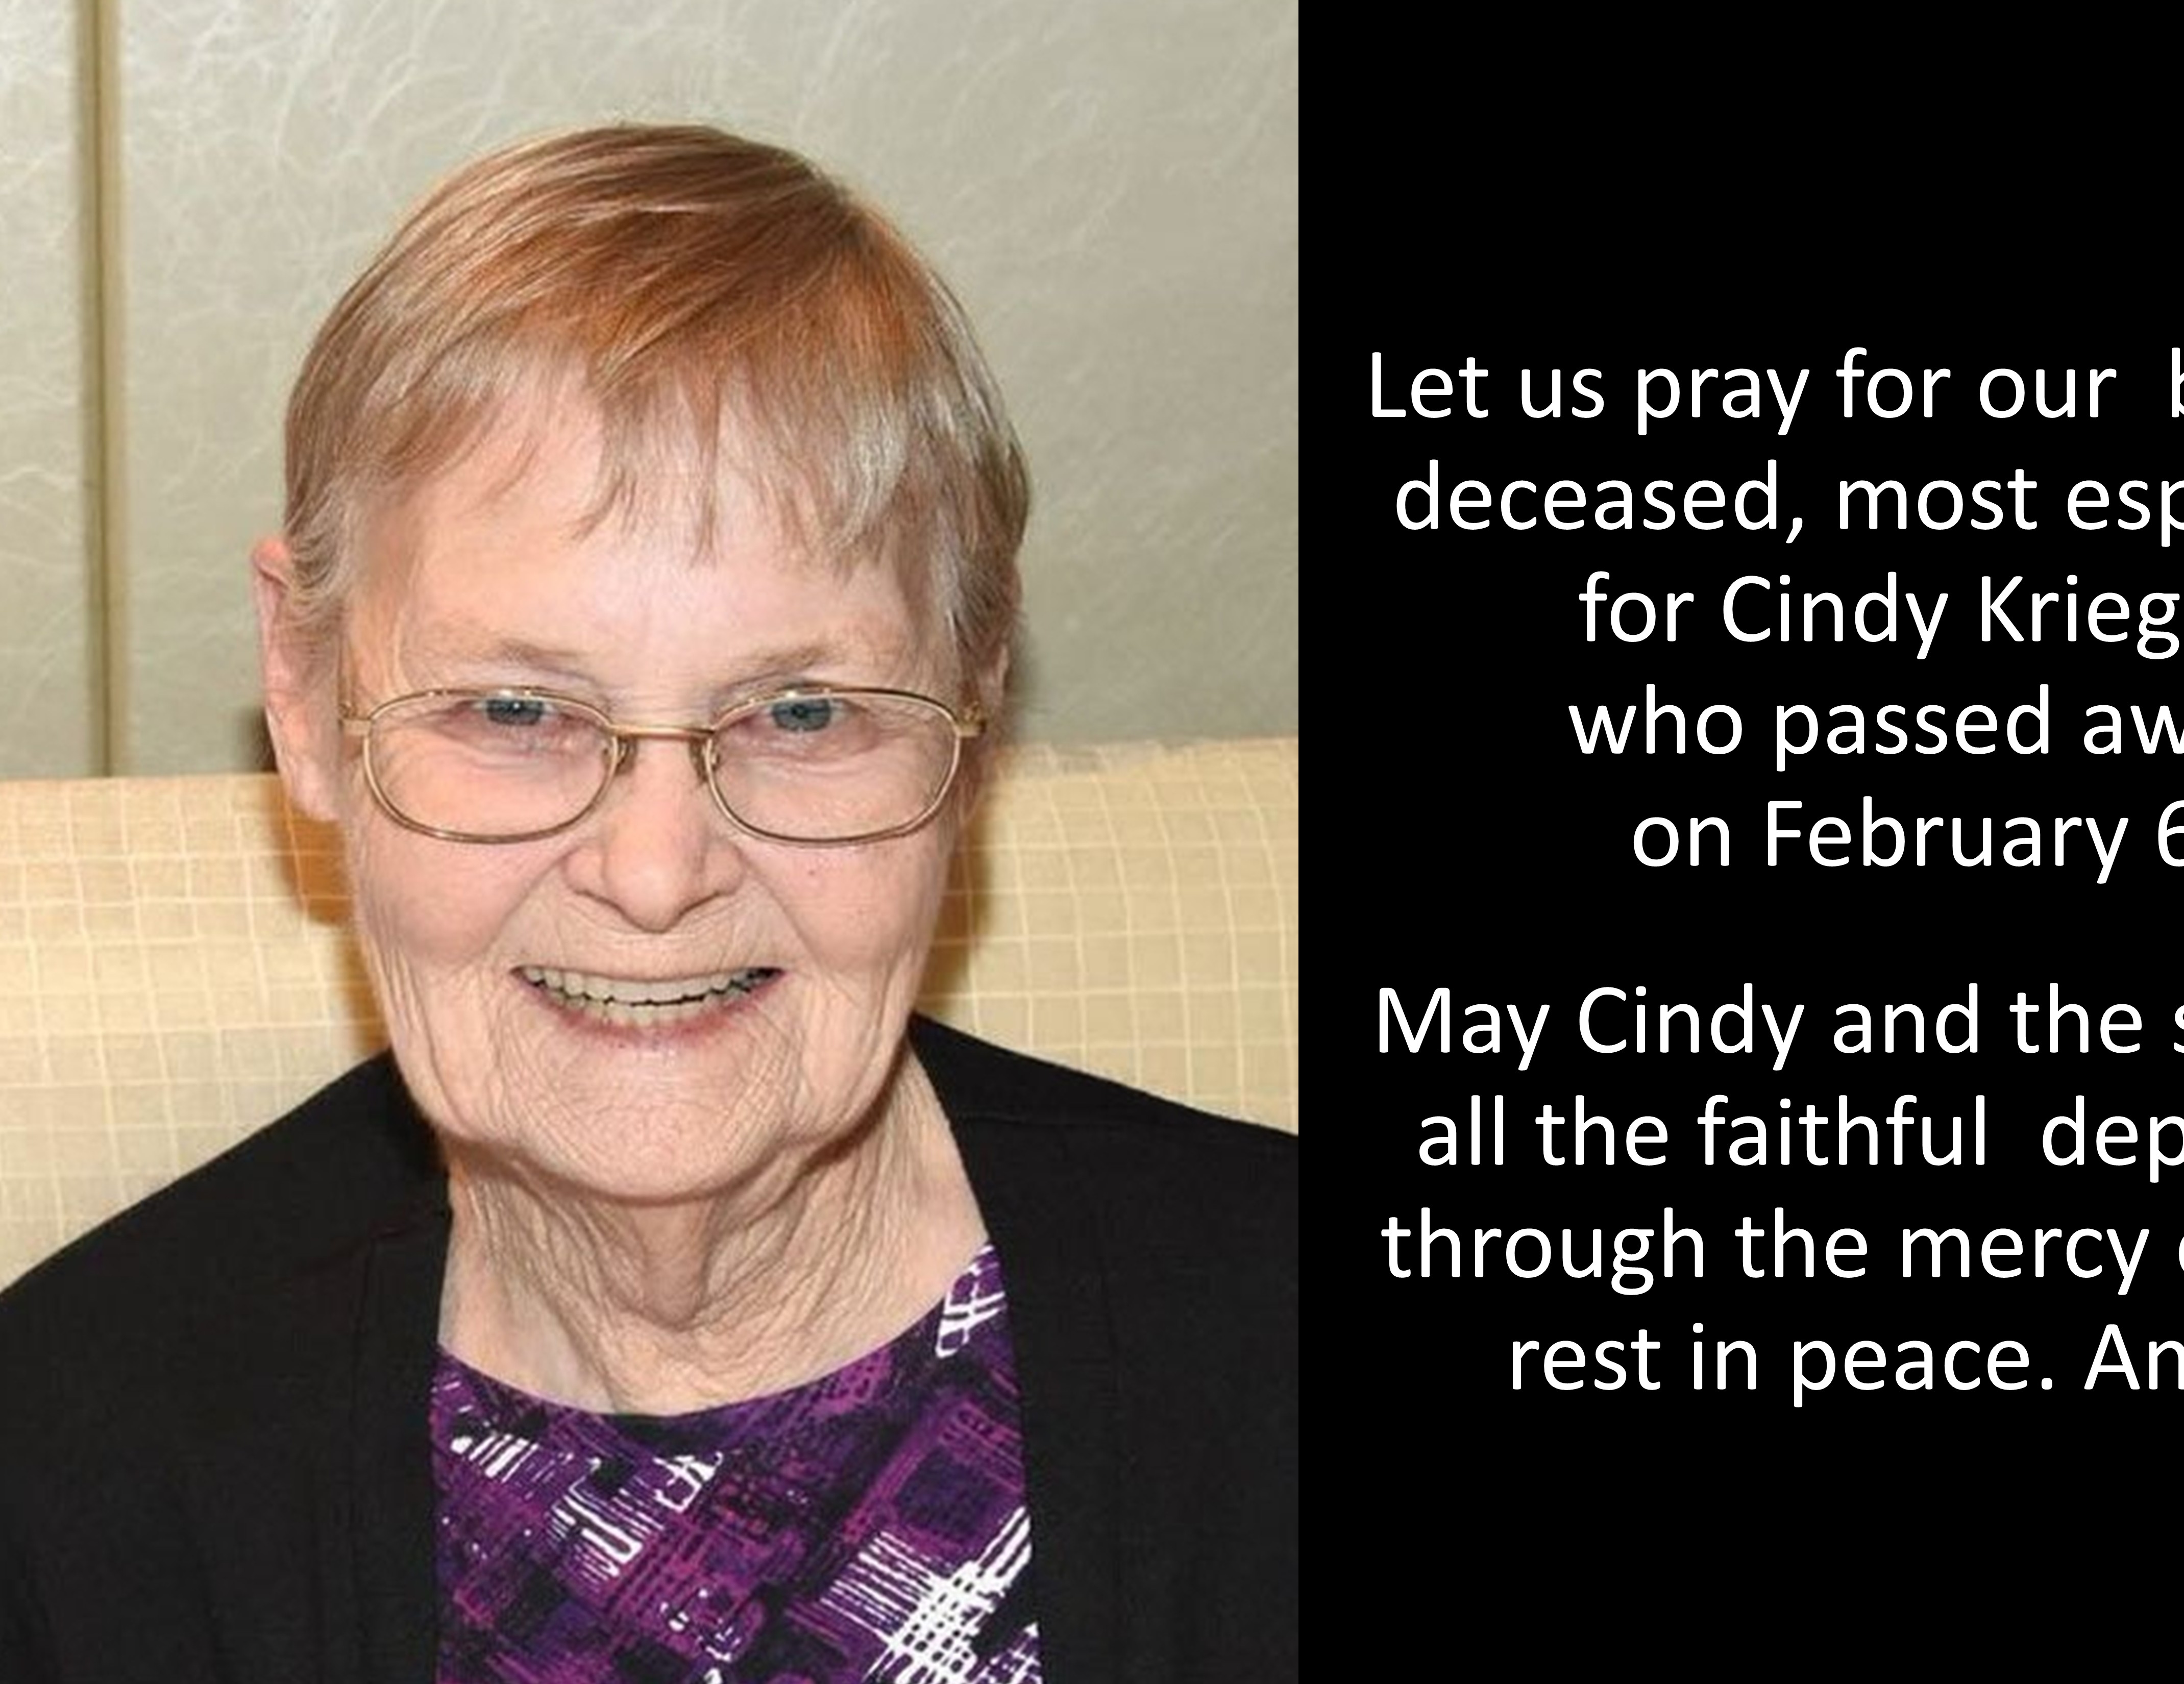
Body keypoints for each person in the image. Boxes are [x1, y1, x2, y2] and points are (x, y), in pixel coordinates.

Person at [0, 125, 1295, 1683]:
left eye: (802, 712)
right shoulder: (67, 1478)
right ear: (304, 693)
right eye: (515, 710)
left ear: (971, 714)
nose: (658, 872)